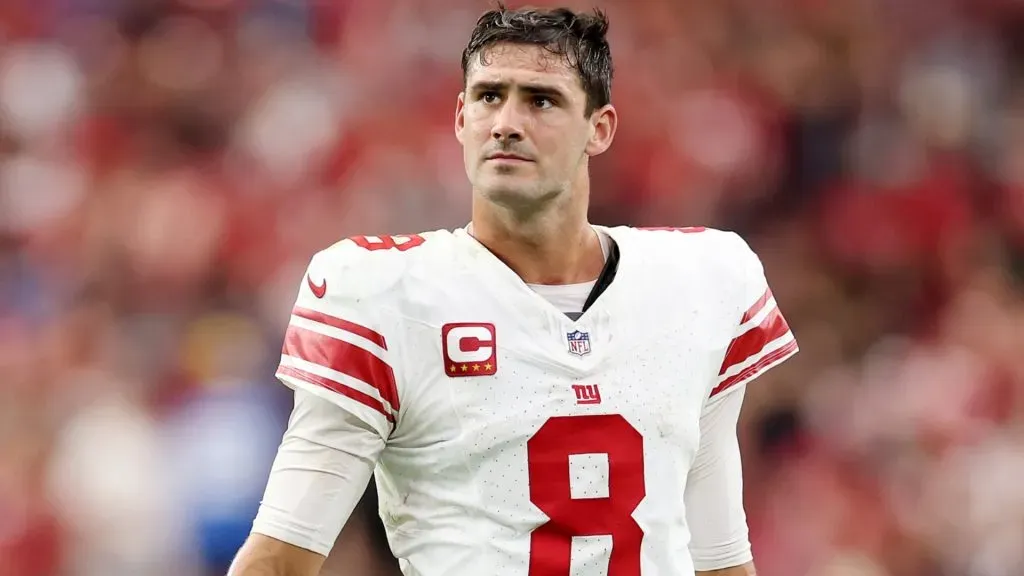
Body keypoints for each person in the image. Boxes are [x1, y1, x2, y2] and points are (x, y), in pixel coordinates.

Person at [229, 5, 797, 576]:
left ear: (598, 129)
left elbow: (719, 557)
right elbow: (280, 558)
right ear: (459, 118)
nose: (505, 121)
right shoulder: (381, 295)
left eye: (541, 100)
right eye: (488, 96)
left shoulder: (702, 281)